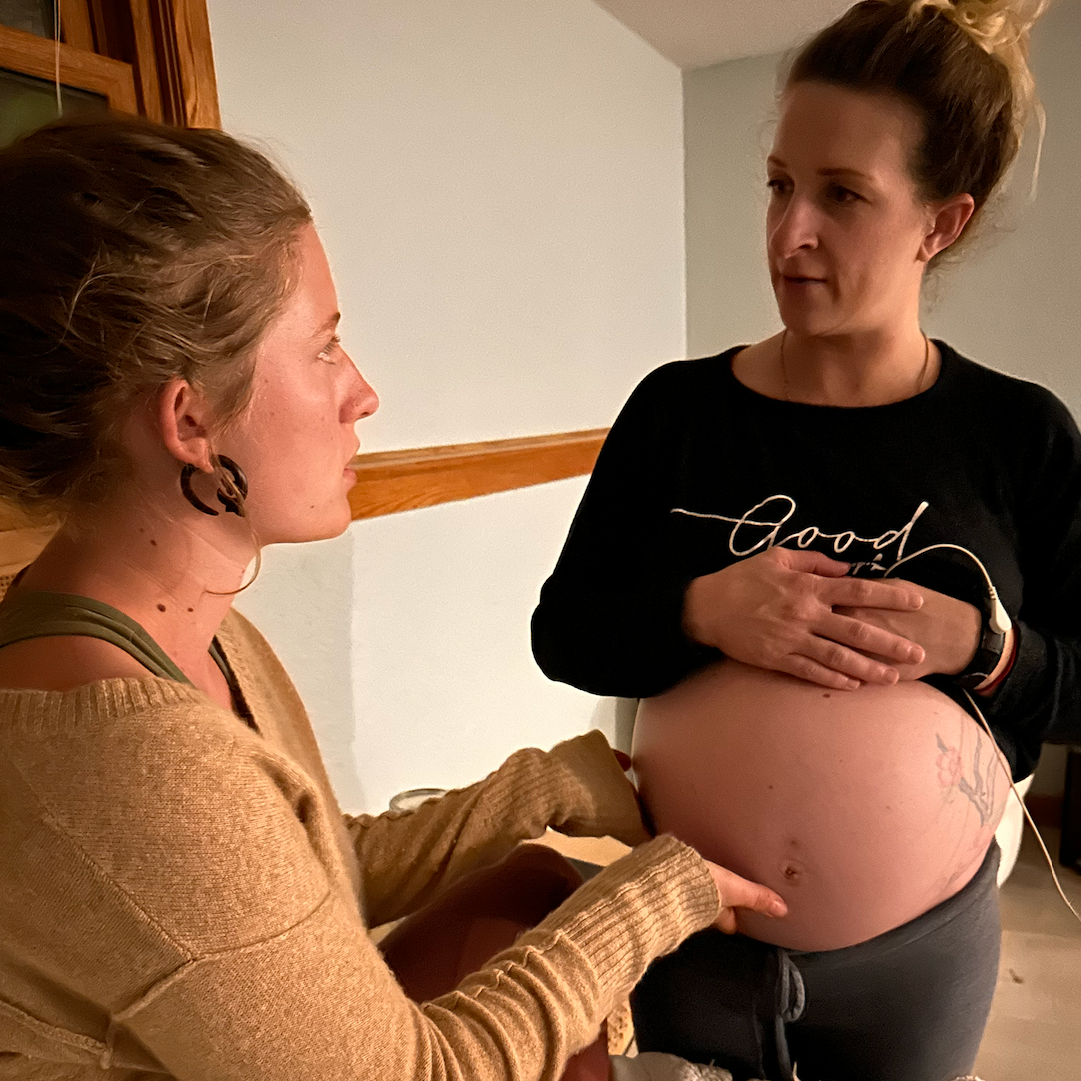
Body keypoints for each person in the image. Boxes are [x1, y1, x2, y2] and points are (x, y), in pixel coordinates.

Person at [0, 116, 789, 1081]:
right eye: (325, 347)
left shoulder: (192, 631)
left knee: (535, 880)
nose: (363, 393)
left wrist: (551, 791)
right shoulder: (123, 764)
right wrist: (651, 901)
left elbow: (297, 873)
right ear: (191, 418)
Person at [531, 2, 1079, 1079]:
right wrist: (700, 611)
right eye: (780, 185)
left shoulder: (1017, 434)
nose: (790, 235)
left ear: (940, 223)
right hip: (684, 932)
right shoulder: (677, 412)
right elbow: (565, 634)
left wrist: (984, 648)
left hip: (912, 961)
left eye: (842, 195)